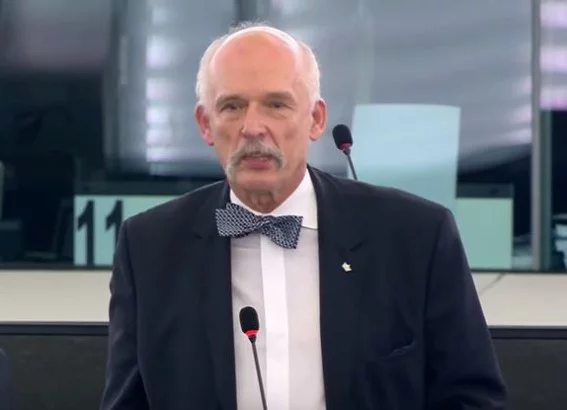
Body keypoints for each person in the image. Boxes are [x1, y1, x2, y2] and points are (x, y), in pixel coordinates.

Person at [100, 22, 507, 410]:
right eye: (232, 106)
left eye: (276, 105)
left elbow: (472, 398)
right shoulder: (150, 248)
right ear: (206, 125)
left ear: (315, 119)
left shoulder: (416, 237)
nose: (253, 128)